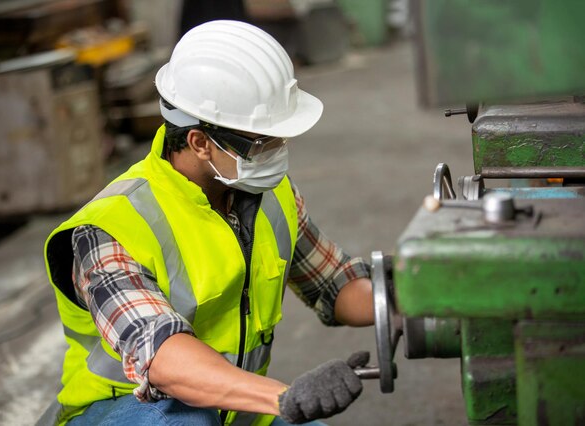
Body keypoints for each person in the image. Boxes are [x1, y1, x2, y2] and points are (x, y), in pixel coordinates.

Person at [43, 20, 375, 425]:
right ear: (200, 141)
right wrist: (286, 397)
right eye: (261, 141)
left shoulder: (270, 195)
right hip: (131, 413)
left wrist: (412, 295)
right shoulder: (111, 227)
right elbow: (163, 357)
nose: (278, 151)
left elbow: (334, 282)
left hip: (230, 408)